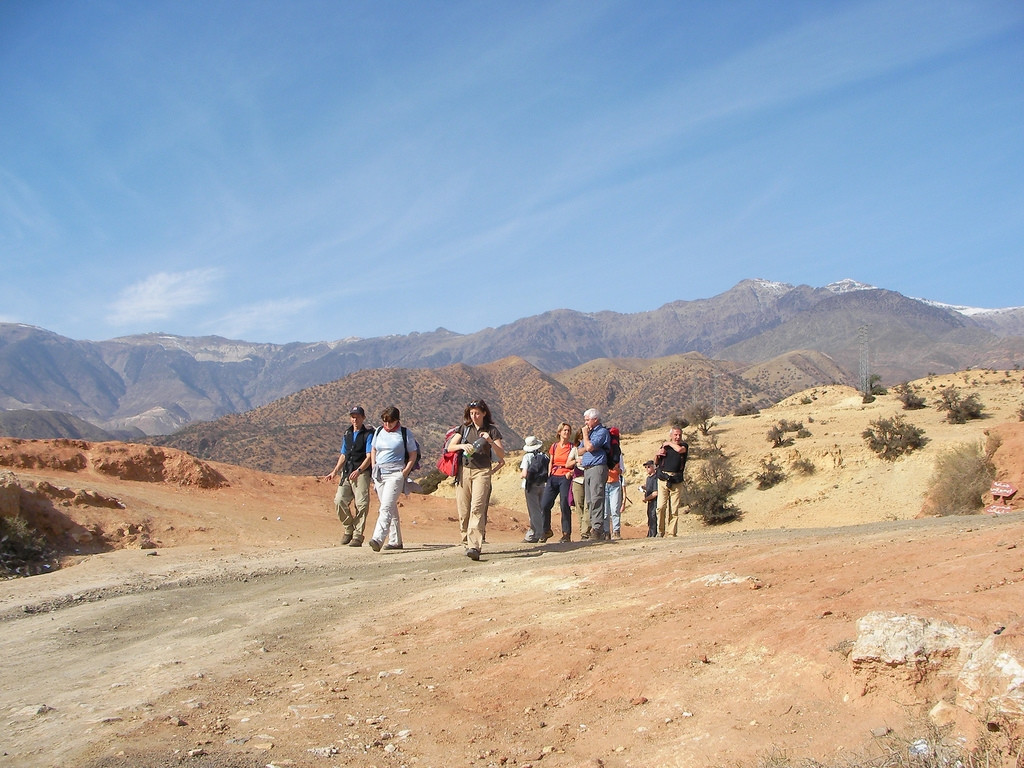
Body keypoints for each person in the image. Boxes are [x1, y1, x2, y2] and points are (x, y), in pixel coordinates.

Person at [446, 399, 505, 561]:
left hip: (482, 472)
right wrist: (462, 446)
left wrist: (490, 441)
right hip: (464, 471)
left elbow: (501, 454)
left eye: (477, 413)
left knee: (477, 507)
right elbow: (450, 447)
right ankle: (466, 540)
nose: (474, 416)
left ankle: (475, 546)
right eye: (472, 413)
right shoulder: (464, 429)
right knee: (464, 509)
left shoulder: (492, 431)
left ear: (484, 413)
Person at [367, 406, 419, 552]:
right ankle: (395, 541)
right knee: (389, 506)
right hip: (380, 473)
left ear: (397, 420)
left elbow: (413, 454)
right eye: (385, 421)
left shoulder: (404, 433)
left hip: (395, 474)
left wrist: (405, 472)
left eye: (390, 421)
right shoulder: (379, 431)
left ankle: (378, 538)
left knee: (385, 507)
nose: (387, 424)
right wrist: (373, 466)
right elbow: (373, 449)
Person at [322, 406, 374, 546]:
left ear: (363, 418)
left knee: (361, 504)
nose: (355, 420)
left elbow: (369, 456)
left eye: (357, 417)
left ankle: (358, 535)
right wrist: (335, 471)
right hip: (347, 472)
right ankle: (348, 528)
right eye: (352, 417)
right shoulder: (347, 433)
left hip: (361, 473)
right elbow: (344, 454)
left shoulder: (368, 435)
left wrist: (359, 470)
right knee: (339, 500)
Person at [540, 422, 577, 543]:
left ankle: (566, 534)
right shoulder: (554, 446)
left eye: (568, 430)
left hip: (565, 476)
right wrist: (549, 472)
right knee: (545, 504)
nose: (567, 432)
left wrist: (570, 473)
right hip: (553, 476)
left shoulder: (573, 447)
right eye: (564, 430)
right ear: (559, 432)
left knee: (564, 504)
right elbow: (551, 461)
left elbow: (577, 463)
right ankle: (546, 530)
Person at [580, 408, 611, 541]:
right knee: (589, 500)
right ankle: (594, 527)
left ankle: (598, 529)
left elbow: (589, 447)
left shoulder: (601, 432)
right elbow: (580, 450)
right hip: (587, 469)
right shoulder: (590, 433)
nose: (585, 423)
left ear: (595, 419)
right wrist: (587, 442)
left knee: (596, 497)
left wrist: (585, 436)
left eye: (587, 420)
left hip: (597, 467)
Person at [656, 426, 689, 537]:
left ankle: (671, 533)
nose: (678, 437)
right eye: (675, 435)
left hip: (676, 480)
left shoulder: (684, 446)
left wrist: (669, 443)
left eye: (679, 435)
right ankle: (660, 530)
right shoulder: (665, 447)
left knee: (674, 509)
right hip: (663, 479)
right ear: (671, 435)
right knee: (661, 507)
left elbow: (679, 450)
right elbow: (657, 462)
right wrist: (657, 454)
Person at [519, 435, 546, 543]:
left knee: (534, 511)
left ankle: (538, 533)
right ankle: (539, 531)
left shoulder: (527, 457)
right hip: (542, 485)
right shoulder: (543, 455)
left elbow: (524, 473)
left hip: (530, 486)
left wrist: (521, 475)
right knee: (541, 509)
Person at [603, 428, 625, 540]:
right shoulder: (604, 453)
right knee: (605, 511)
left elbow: (622, 470)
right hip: (605, 484)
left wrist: (616, 469)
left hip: (615, 484)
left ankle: (616, 531)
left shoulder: (618, 454)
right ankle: (606, 532)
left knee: (615, 509)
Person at [639, 460, 659, 537]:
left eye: (648, 467)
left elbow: (655, 493)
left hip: (655, 502)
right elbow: (649, 488)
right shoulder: (648, 478)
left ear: (653, 467)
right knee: (650, 518)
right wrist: (643, 487)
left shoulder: (655, 478)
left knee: (653, 517)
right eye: (646, 467)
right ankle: (650, 534)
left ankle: (653, 534)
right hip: (650, 503)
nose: (647, 469)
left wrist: (646, 499)